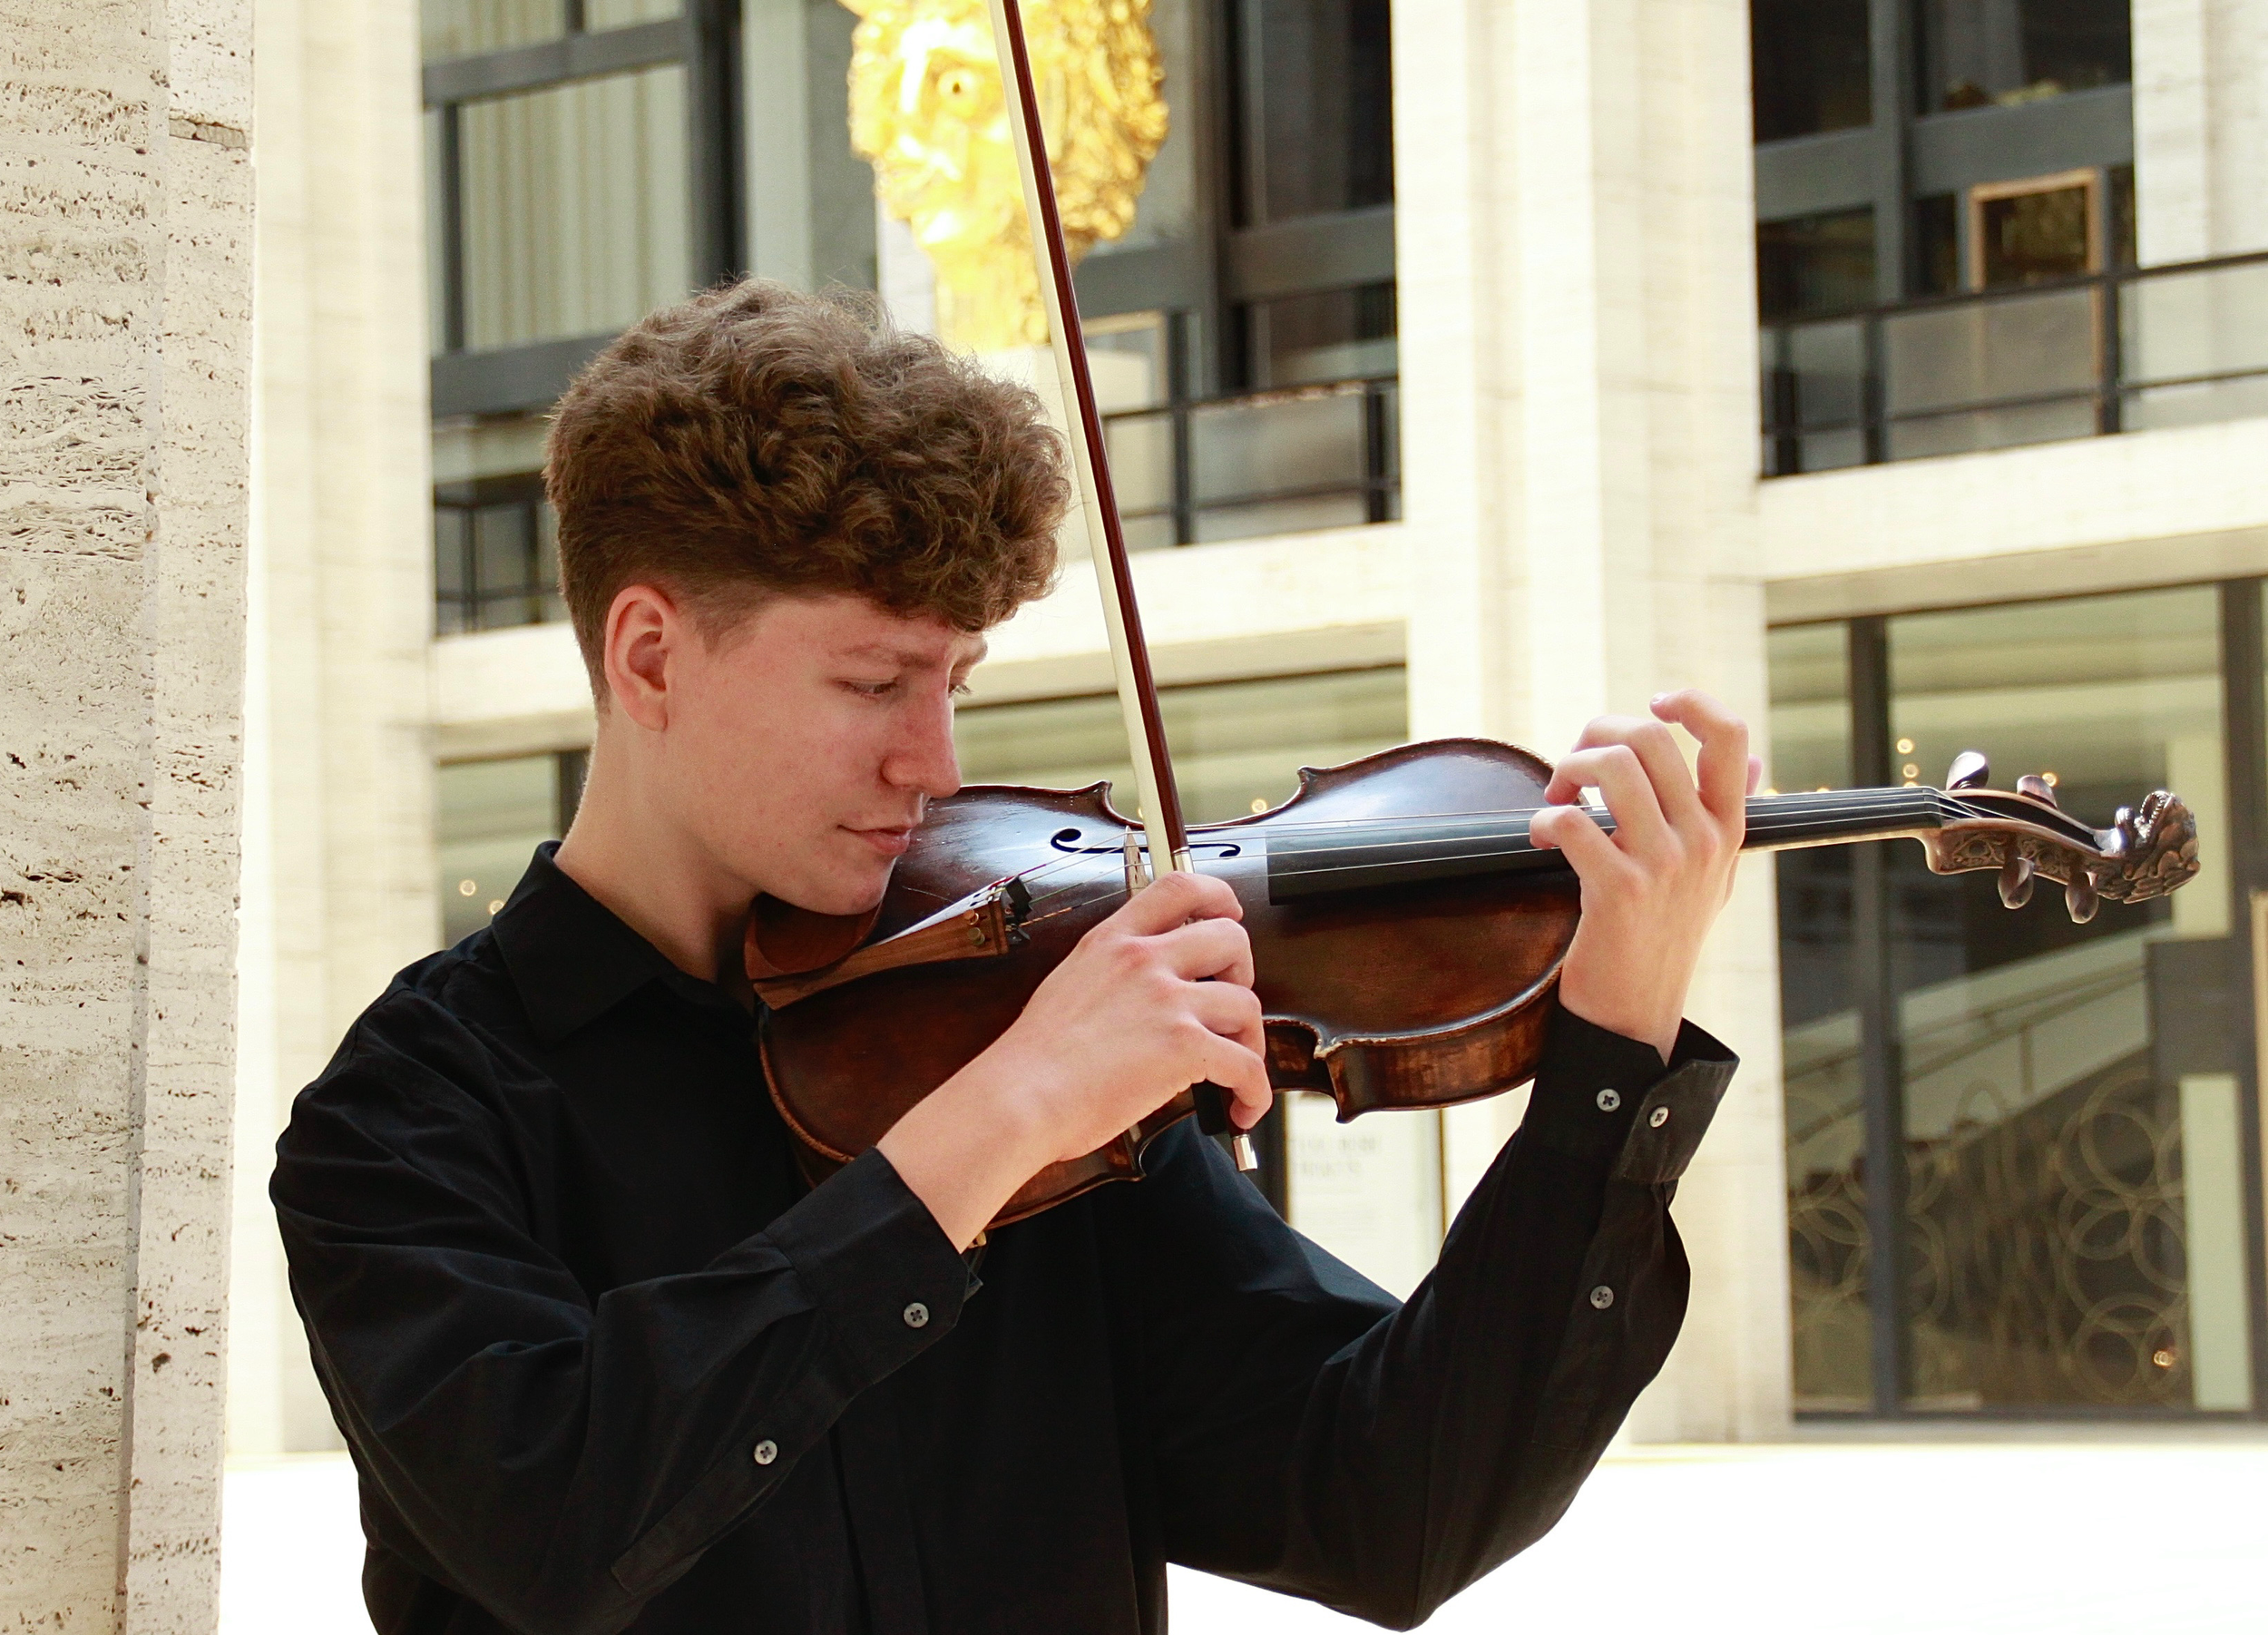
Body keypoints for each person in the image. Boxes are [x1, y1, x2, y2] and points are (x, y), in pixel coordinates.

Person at [273, 279, 1748, 1635]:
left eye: (957, 680)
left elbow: (1392, 1507)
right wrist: (990, 1129)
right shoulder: (408, 1113)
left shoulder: (1038, 1027)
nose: (935, 759)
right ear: (650, 654)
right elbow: (558, 1524)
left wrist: (1612, 1055)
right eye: (874, 681)